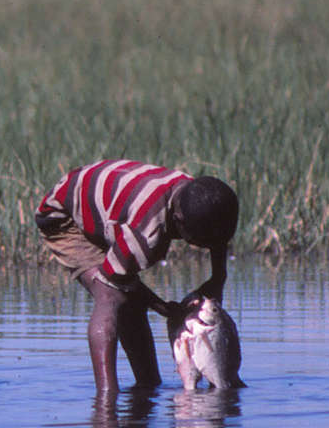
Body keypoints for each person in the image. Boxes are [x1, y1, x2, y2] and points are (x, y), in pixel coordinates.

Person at [34, 159, 238, 393]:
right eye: (200, 243)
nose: (209, 246)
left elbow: (217, 239)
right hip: (63, 214)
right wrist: (161, 306)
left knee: (130, 300)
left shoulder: (200, 197)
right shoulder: (146, 233)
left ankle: (148, 385)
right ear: (179, 223)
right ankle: (106, 398)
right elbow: (113, 278)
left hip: (106, 203)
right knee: (113, 297)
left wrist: (217, 278)